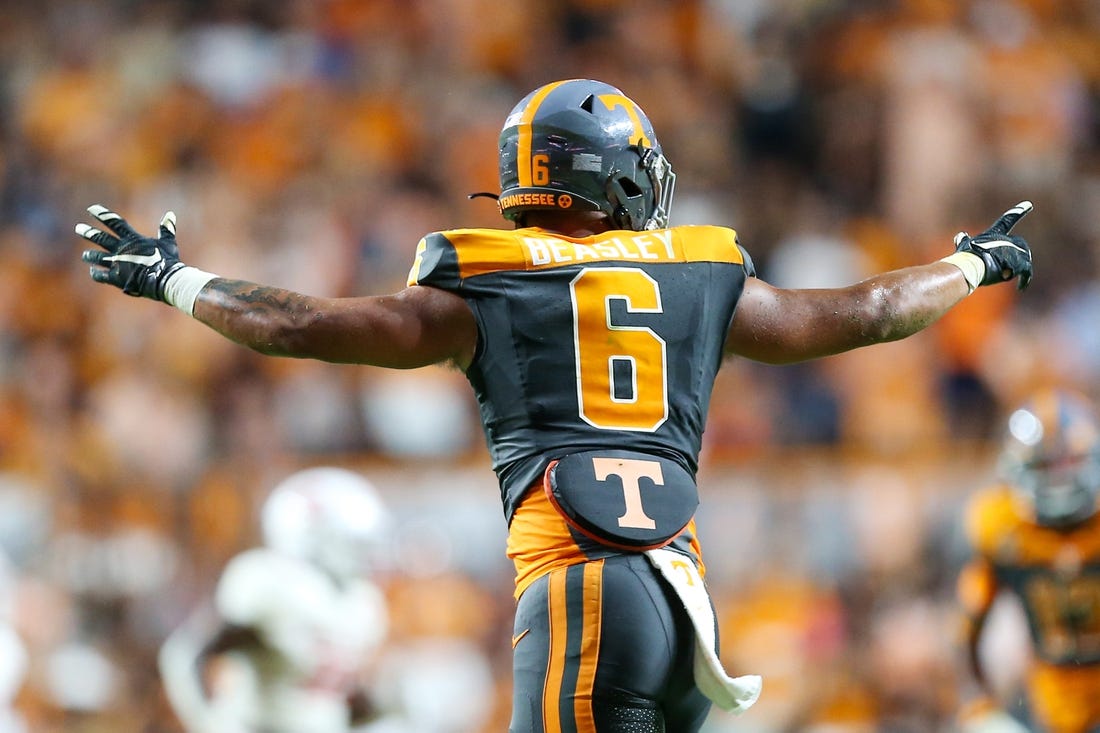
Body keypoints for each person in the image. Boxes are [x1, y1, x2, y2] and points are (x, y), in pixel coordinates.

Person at [77, 78, 1035, 732]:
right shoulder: (698, 272)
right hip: (682, 599)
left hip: (579, 576)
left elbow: (300, 326)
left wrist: (175, 278)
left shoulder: (483, 282)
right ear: (610, 175)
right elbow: (863, 311)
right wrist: (970, 262)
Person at [157, 466, 391, 733]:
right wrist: (210, 725)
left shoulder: (363, 603)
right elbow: (185, 654)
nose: (363, 555)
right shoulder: (270, 584)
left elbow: (339, 692)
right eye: (353, 543)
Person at [956, 389, 1100, 733]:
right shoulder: (1004, 528)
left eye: (1069, 464)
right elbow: (969, 628)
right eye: (1045, 466)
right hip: (1047, 689)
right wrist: (979, 700)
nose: (1060, 481)